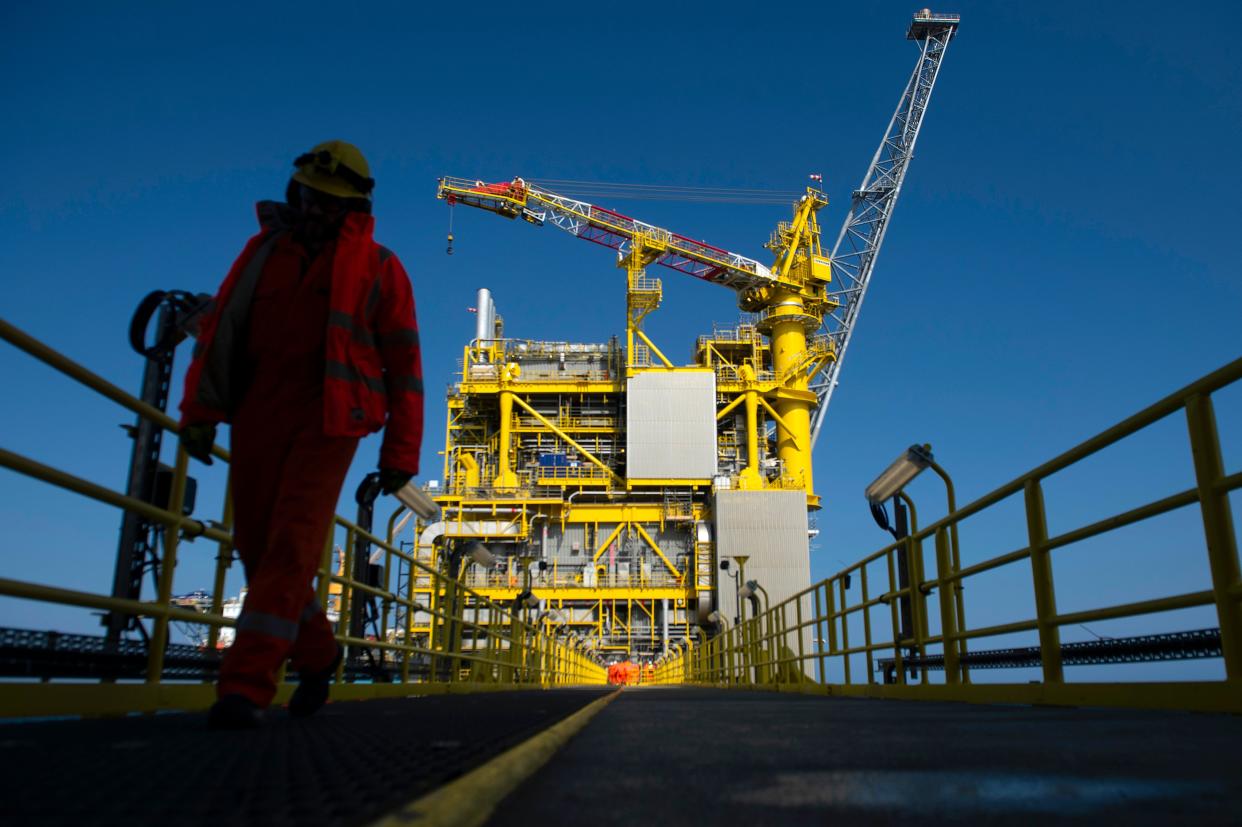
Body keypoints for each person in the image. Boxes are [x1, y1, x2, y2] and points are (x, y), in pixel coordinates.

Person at [178, 140, 424, 729]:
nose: (317, 211)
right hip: (259, 412)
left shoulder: (381, 268)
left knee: (292, 545)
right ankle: (319, 652)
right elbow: (223, 334)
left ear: (354, 208)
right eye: (312, 198)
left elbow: (405, 365)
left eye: (331, 203)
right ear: (297, 193)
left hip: (331, 420)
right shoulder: (262, 253)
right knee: (257, 548)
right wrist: (199, 413)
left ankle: (244, 688)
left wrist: (400, 453)